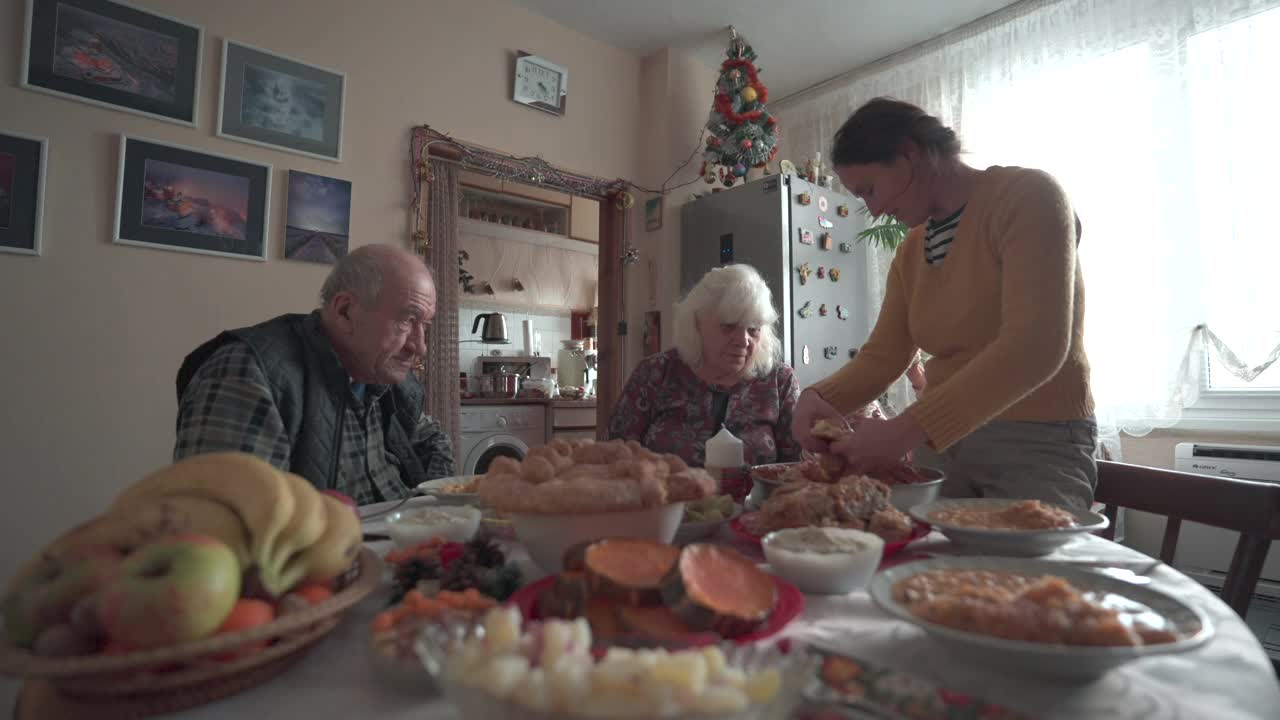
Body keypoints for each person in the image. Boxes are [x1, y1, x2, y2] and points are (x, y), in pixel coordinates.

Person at [794, 97, 1097, 513]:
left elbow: (1036, 347)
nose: (876, 209)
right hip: (942, 447)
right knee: (923, 570)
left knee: (1023, 577)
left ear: (908, 155)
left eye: (869, 189)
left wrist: (904, 431)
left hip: (1036, 441)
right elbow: (885, 357)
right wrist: (818, 396)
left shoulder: (1029, 197)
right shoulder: (911, 250)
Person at [174, 244, 455, 505]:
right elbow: (228, 526)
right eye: (407, 320)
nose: (420, 346)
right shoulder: (248, 376)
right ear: (345, 311)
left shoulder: (386, 375)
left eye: (425, 326)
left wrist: (433, 506)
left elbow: (434, 441)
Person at [609, 264, 801, 468]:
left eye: (753, 329)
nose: (743, 340)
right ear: (696, 324)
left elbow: (798, 468)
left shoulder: (780, 381)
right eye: (729, 326)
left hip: (759, 501)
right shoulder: (655, 373)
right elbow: (614, 456)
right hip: (666, 498)